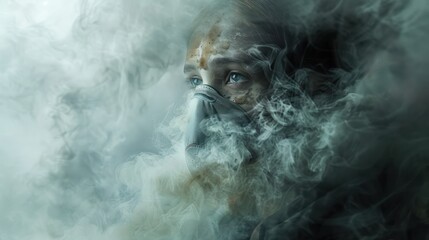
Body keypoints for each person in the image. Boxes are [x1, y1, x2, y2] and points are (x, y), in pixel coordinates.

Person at [182, 0, 429, 239]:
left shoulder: (377, 218)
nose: (201, 109)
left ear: (310, 90)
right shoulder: (230, 220)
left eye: (235, 77)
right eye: (195, 81)